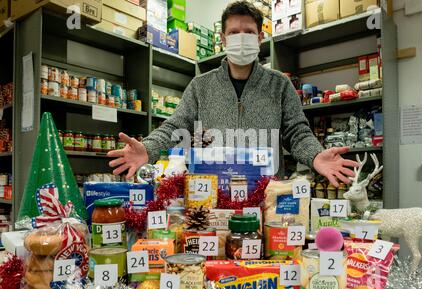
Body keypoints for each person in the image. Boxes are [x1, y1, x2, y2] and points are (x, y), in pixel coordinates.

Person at [108, 1, 358, 186]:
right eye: (234, 33)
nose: (242, 38)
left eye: (249, 32)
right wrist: (148, 149)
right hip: (213, 194)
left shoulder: (279, 85)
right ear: (223, 40)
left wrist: (315, 155)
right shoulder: (200, 86)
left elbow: (297, 133)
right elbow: (175, 126)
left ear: (260, 37)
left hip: (265, 192)